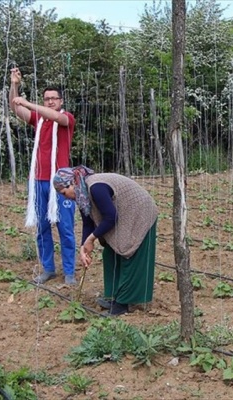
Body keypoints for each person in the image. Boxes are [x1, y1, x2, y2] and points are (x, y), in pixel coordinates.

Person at [53, 166, 159, 316]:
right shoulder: (82, 195)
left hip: (140, 211)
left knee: (129, 252)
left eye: (64, 192)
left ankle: (123, 304)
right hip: (124, 212)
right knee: (111, 252)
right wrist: (84, 247)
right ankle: (114, 296)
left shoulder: (95, 188)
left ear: (71, 183)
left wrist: (92, 239)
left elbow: (111, 217)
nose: (65, 197)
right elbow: (88, 222)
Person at [9, 67, 77, 285]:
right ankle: (48, 268)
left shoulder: (66, 118)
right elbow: (16, 108)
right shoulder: (38, 121)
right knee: (43, 227)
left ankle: (69, 272)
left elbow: (56, 117)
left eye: (53, 98)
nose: (49, 102)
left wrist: (28, 103)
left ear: (60, 100)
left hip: (62, 182)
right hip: (39, 180)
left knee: (65, 228)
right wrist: (15, 86)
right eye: (46, 99)